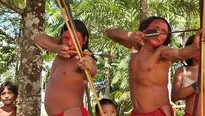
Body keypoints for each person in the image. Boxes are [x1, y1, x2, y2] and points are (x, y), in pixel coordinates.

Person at [106, 16, 203, 116]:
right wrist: (131, 35)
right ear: (145, 29)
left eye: (164, 32)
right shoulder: (135, 46)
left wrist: (195, 46)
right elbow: (111, 33)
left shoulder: (162, 52)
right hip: (136, 113)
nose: (159, 33)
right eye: (156, 28)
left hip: (158, 112)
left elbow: (180, 53)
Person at [33, 20, 97, 116]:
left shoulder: (84, 57)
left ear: (84, 40)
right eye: (66, 38)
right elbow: (38, 38)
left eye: (75, 39)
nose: (70, 43)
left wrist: (89, 64)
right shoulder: (60, 45)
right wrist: (55, 48)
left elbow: (93, 69)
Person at [171, 35, 204, 116]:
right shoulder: (181, 71)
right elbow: (174, 96)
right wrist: (195, 85)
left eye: (202, 46)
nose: (199, 49)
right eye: (196, 46)